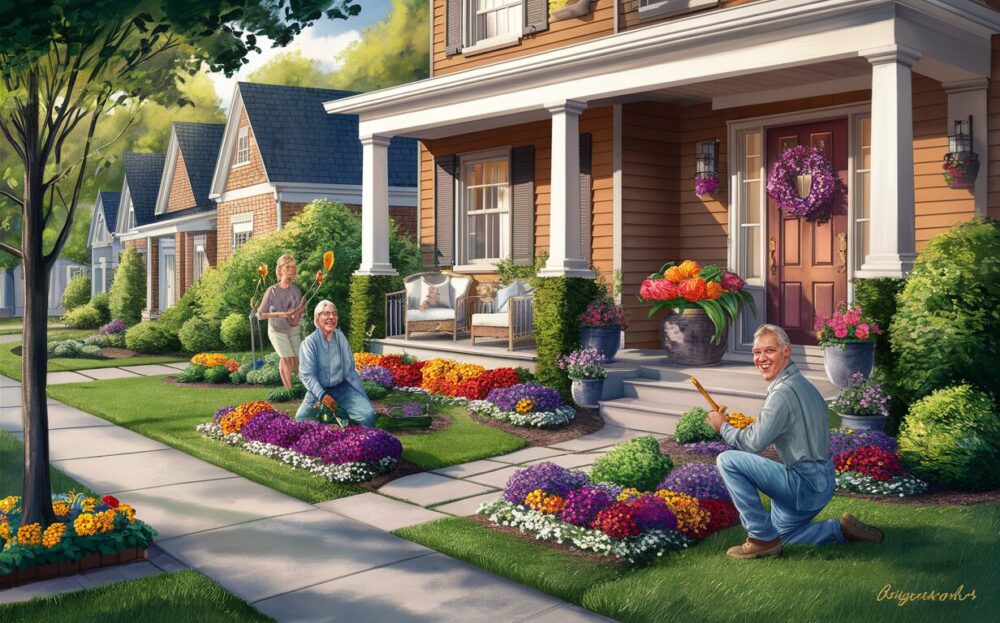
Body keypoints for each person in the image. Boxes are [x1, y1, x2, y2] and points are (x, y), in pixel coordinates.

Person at [707, 324, 884, 559]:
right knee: (782, 536)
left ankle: (760, 538)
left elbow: (752, 444)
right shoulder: (803, 386)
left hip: (804, 484)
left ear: (786, 351)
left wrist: (722, 426)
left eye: (769, 351)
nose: (761, 359)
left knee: (728, 460)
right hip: (822, 482)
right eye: (756, 353)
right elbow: (771, 428)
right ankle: (838, 530)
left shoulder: (782, 393)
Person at [295, 299, 375, 427]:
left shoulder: (340, 338)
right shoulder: (309, 343)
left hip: (342, 387)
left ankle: (354, 438)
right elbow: (308, 376)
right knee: (302, 418)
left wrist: (362, 397)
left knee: (368, 415)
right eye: (326, 313)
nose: (331, 317)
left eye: (334, 314)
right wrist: (323, 397)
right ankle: (326, 437)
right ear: (317, 318)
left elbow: (350, 370)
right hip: (319, 390)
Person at [257, 254, 305, 390]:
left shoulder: (296, 291)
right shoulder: (272, 291)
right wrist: (280, 314)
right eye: (288, 267)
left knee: (297, 361)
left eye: (293, 267)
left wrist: (299, 312)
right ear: (281, 269)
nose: (291, 270)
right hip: (276, 329)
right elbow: (260, 314)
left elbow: (295, 321)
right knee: (287, 358)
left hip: (292, 329)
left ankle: (301, 388)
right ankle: (289, 390)